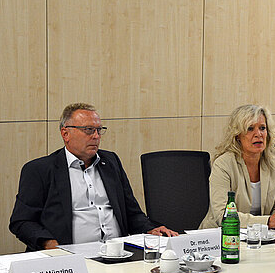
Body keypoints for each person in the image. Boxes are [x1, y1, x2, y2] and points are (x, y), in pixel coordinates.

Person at [9, 103, 177, 251]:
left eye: (99, 130)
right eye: (88, 130)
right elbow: (22, 222)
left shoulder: (111, 162)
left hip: (116, 254)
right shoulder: (39, 170)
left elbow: (131, 212)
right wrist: (50, 245)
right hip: (67, 258)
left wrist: (150, 229)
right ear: (65, 134)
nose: (96, 136)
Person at [200, 104, 275, 229]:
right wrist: (267, 221)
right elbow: (223, 215)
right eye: (250, 129)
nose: (258, 134)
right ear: (237, 136)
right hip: (220, 236)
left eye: (262, 128)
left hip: (260, 237)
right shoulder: (224, 164)